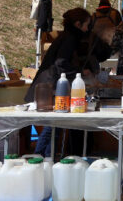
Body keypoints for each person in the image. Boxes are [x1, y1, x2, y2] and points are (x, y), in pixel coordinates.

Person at [26, 8, 91, 156]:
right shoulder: (70, 38)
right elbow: (61, 63)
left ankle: (43, 158)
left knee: (53, 126)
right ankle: (45, 158)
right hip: (50, 87)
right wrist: (80, 72)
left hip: (48, 85)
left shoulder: (67, 36)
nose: (87, 29)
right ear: (78, 24)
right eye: (86, 25)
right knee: (53, 126)